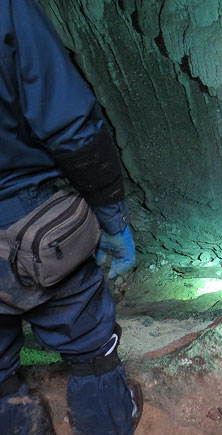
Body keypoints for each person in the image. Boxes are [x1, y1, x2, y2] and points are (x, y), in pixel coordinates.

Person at [0, 0, 141, 433]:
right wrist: (110, 217)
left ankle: (16, 416)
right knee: (86, 334)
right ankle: (105, 419)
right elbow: (70, 122)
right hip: (25, 213)